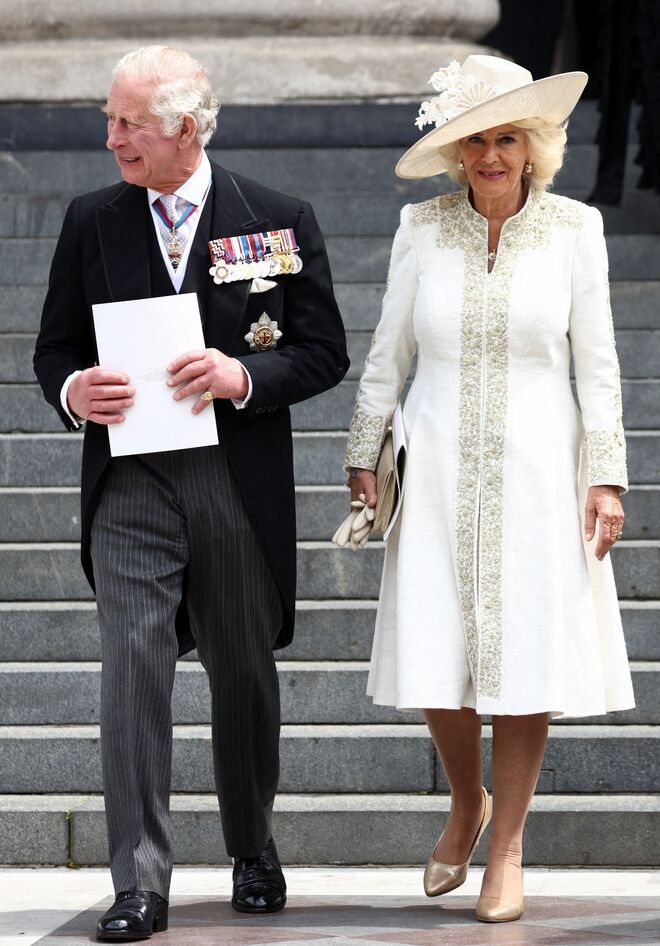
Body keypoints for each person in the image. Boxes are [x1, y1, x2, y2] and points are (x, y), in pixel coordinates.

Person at [34, 45, 348, 940]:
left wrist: (241, 374)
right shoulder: (92, 220)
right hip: (130, 479)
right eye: (109, 119)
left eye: (127, 123)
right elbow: (52, 349)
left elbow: (323, 350)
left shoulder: (276, 219)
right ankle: (139, 881)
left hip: (235, 481)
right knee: (131, 672)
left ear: (185, 127)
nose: (110, 140)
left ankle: (252, 847)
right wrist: (71, 392)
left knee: (242, 670)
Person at [342, 55, 634, 924]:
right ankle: (464, 802)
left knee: (527, 658)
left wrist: (607, 477)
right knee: (440, 652)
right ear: (456, 153)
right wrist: (365, 449)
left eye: (508, 138)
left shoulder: (577, 229)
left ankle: (506, 846)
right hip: (431, 462)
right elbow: (389, 348)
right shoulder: (420, 228)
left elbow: (601, 363)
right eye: (476, 141)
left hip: (543, 465)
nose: (492, 156)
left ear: (534, 146)